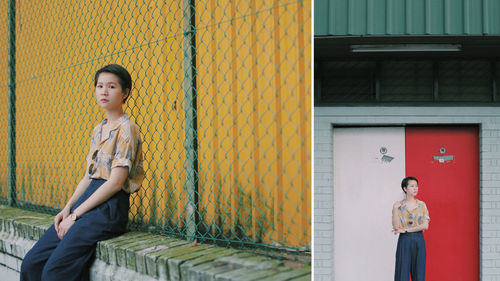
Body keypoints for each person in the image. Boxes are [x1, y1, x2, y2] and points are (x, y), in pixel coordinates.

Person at [20, 64, 144, 281]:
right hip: (87, 203)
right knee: (31, 264)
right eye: (100, 86)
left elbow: (115, 183)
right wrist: (67, 209)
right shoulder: (98, 129)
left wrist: (76, 215)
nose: (104, 92)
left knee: (54, 273)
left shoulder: (127, 129)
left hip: (109, 208)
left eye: (112, 86)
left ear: (125, 93)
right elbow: (89, 176)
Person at [392, 176, 430, 281]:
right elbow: (396, 226)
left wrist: (406, 230)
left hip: (419, 240)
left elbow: (425, 226)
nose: (415, 188)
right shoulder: (399, 206)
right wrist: (395, 209)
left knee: (419, 273)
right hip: (404, 241)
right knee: (401, 273)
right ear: (405, 189)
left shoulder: (422, 205)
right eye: (412, 186)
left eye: (416, 186)